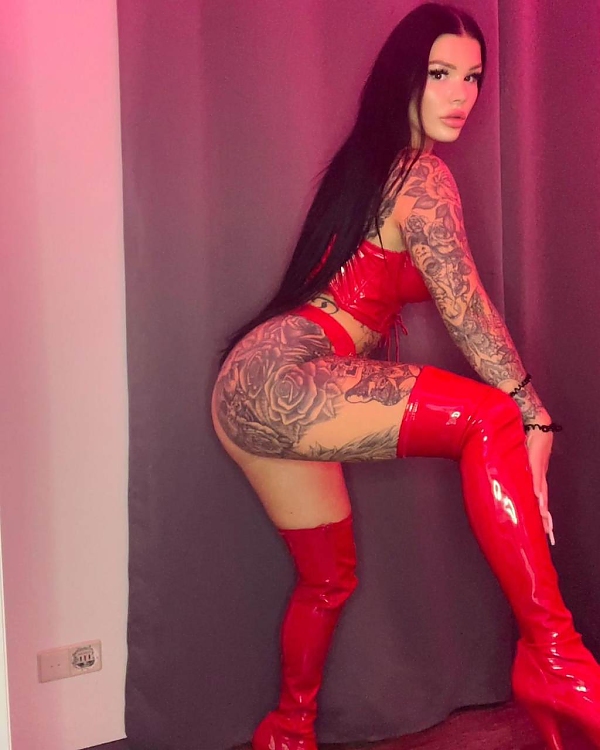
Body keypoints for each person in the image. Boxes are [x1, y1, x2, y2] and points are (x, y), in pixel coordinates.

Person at [211, 3, 600, 749]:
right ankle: (558, 660)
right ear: (403, 78)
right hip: (287, 371)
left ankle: (285, 734)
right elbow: (466, 307)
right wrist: (534, 414)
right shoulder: (419, 174)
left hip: (250, 385)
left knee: (328, 579)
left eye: (473, 78)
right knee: (489, 417)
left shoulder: (368, 169)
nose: (462, 94)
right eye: (440, 73)